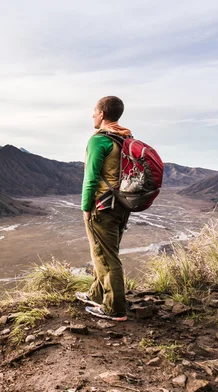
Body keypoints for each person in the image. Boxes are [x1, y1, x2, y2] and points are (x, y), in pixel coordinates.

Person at [76, 96, 131, 322]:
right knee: (104, 253)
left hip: (103, 205)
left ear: (102, 113)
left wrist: (86, 207)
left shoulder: (99, 140)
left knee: (107, 258)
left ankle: (114, 308)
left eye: (94, 111)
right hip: (121, 204)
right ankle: (97, 294)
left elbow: (91, 178)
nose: (92, 115)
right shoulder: (125, 138)